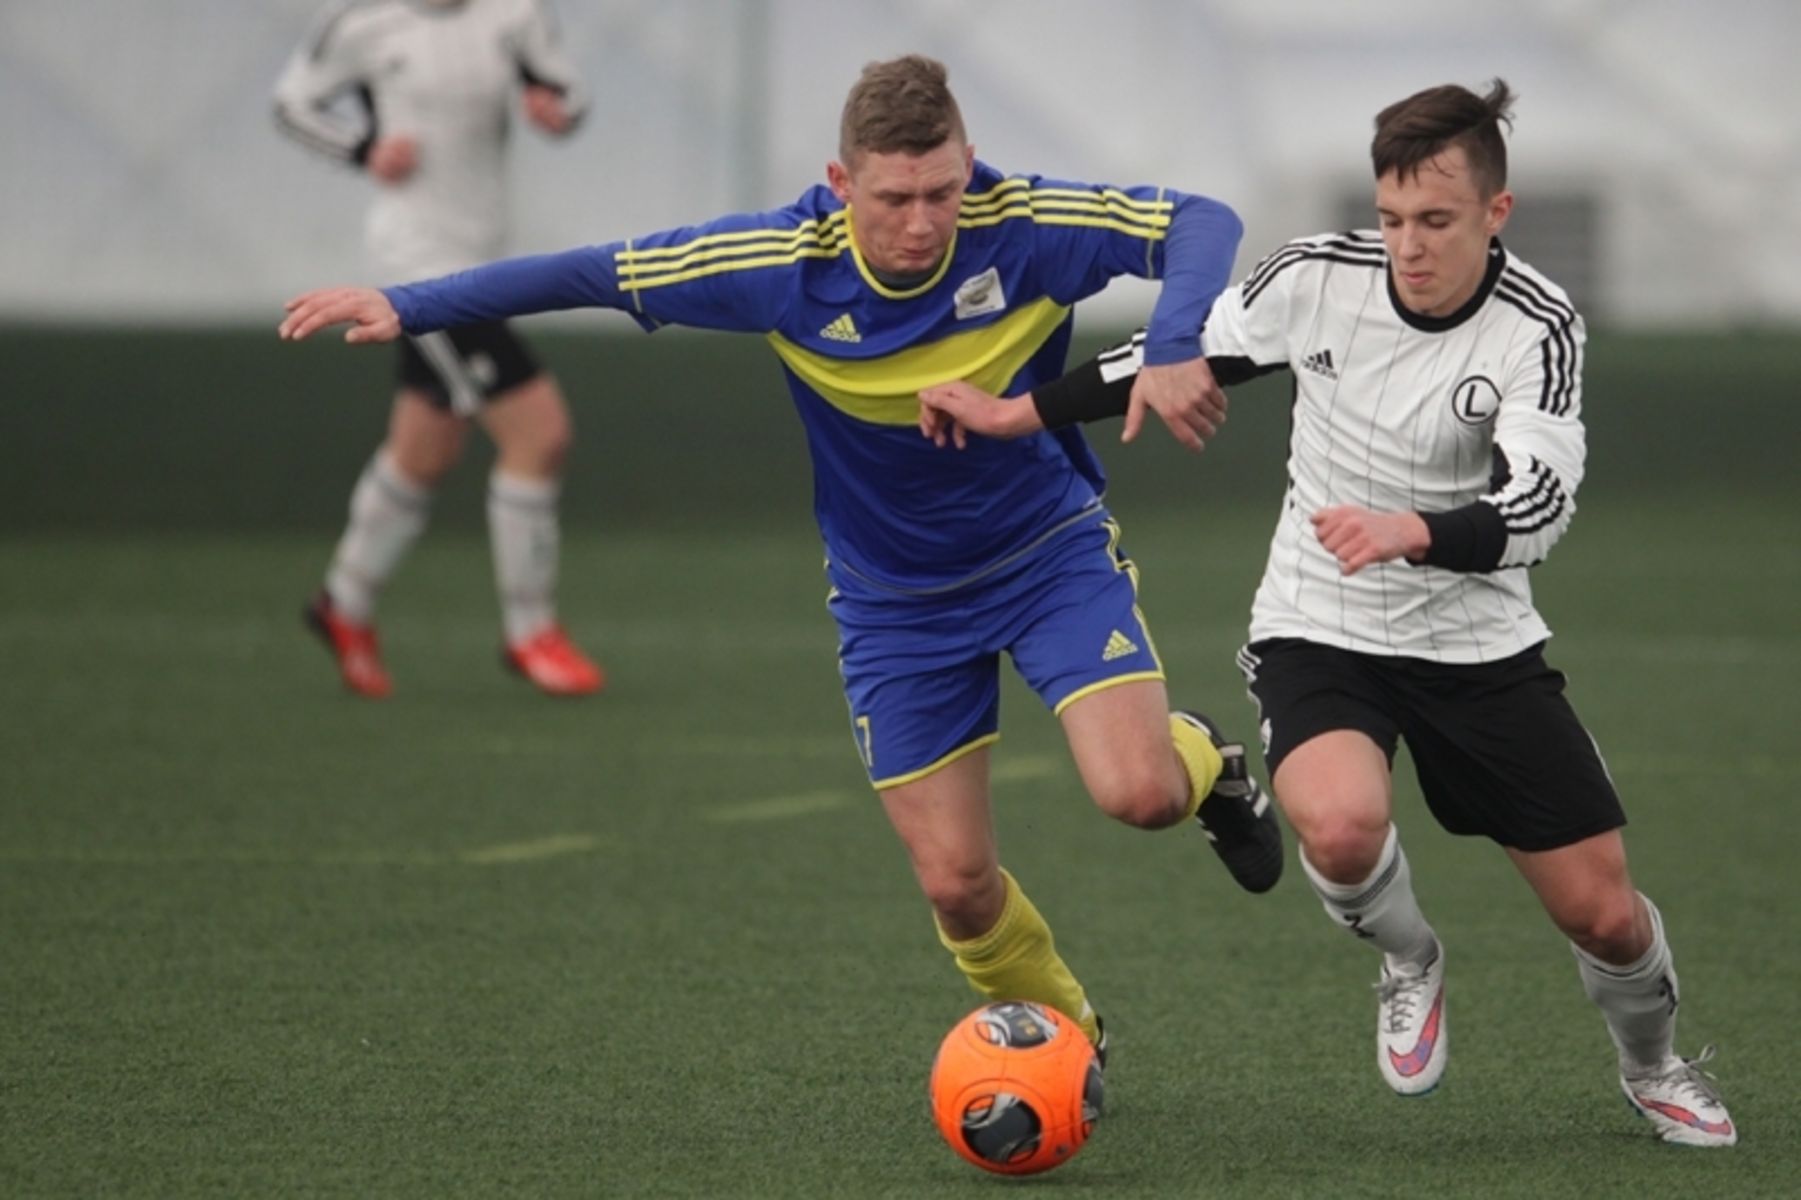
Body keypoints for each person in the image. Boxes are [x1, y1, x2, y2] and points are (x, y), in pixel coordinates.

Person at [280, 54, 1284, 1059]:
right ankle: (1069, 1042)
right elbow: (591, 271)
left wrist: (1171, 340)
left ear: (969, 166)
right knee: (955, 885)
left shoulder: (1022, 225)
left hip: (1046, 554)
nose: (925, 221)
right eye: (895, 198)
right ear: (842, 184)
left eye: (944, 191)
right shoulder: (774, 263)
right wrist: (409, 305)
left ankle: (1209, 764)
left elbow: (1196, 219)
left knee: (1141, 794)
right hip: (894, 601)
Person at [917, 80, 1736, 1145]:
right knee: (1342, 829)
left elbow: (1537, 504)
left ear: (1497, 213)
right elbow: (1173, 357)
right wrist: (1012, 412)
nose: (1407, 244)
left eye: (1436, 221)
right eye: (1392, 218)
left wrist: (1417, 529)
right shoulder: (1315, 277)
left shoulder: (1536, 325)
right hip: (1318, 623)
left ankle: (1654, 1064)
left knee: (1602, 913)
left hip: (1477, 641)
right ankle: (1408, 959)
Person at [274, 0, 602, 698]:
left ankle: (342, 603)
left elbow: (569, 90)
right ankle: (530, 630)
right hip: (417, 271)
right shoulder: (361, 23)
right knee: (540, 434)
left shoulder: (513, 14)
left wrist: (556, 110)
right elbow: (292, 104)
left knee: (427, 445)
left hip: (482, 261)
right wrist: (364, 149)